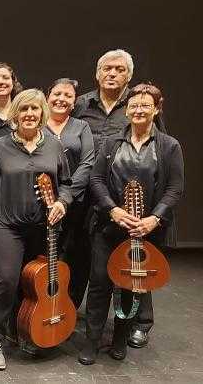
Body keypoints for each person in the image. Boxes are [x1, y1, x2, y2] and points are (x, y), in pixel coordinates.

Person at [78, 83, 184, 365]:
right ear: (127, 110)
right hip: (109, 226)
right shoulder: (112, 143)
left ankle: (120, 339)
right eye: (134, 105)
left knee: (131, 284)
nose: (138, 110)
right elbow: (96, 180)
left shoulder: (169, 145)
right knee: (99, 282)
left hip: (146, 229)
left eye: (145, 105)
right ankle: (91, 341)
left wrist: (155, 218)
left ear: (156, 109)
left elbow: (175, 187)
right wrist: (112, 210)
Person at [72, 49, 166, 348]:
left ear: (129, 74)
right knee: (83, 256)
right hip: (88, 194)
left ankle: (140, 322)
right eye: (106, 69)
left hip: (132, 202)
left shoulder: (139, 104)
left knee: (134, 259)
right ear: (97, 74)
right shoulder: (82, 104)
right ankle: (76, 312)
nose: (112, 74)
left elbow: (158, 150)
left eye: (119, 69)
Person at [0, 89, 72, 370]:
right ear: (15, 115)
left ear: (42, 114)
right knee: (6, 279)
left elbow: (66, 183)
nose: (29, 115)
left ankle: (28, 332)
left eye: (34, 110)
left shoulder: (54, 146)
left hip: (45, 228)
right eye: (24, 110)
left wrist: (63, 202)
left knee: (35, 284)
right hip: (8, 225)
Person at [43, 78, 95, 308]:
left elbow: (87, 162)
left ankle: (67, 306)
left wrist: (65, 198)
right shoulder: (36, 123)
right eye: (57, 94)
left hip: (74, 204)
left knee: (72, 256)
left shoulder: (81, 127)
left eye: (68, 96)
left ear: (74, 103)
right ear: (48, 96)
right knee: (42, 256)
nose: (61, 99)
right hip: (40, 202)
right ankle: (40, 304)